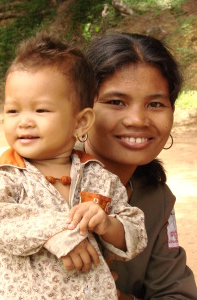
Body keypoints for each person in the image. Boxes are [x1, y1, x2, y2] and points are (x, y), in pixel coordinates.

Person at [0, 31, 147, 299]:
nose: (24, 121)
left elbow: (134, 231)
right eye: (13, 110)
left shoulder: (98, 176)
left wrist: (106, 225)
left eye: (41, 110)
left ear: (80, 122)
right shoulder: (8, 173)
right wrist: (58, 233)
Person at [80, 32, 197, 299]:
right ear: (83, 110)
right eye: (116, 102)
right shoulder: (28, 173)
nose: (137, 119)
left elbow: (176, 292)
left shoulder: (156, 201)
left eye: (155, 104)